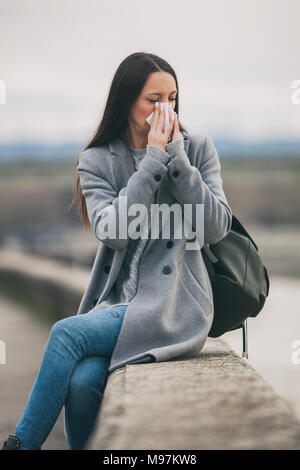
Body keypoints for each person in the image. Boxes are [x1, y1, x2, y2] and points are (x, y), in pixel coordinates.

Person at [2, 51, 232, 450]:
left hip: (175, 308)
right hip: (116, 305)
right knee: (82, 380)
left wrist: (175, 160)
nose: (165, 109)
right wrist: (151, 164)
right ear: (126, 102)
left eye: (172, 98)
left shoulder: (197, 150)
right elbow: (113, 233)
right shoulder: (95, 161)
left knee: (65, 334)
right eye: (153, 100)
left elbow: (215, 228)